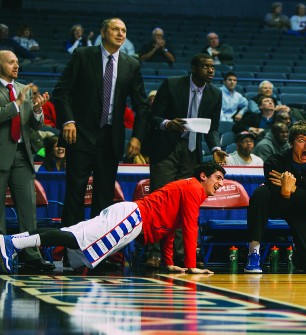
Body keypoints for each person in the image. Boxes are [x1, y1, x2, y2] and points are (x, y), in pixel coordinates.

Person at [0, 162, 225, 275]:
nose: (221, 183)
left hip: (130, 216)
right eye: (218, 177)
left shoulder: (190, 187)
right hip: (133, 218)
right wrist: (191, 266)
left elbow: (169, 229)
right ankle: (14, 243)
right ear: (203, 175)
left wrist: (169, 264)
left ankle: (11, 240)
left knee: (74, 235)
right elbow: (189, 228)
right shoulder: (194, 188)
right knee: (75, 238)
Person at [53, 18, 149, 231]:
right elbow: (61, 93)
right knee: (75, 192)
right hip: (80, 135)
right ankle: (72, 250)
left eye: (124, 30)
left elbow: (142, 105)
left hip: (110, 138)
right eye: (115, 29)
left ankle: (98, 249)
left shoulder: (131, 64)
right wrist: (68, 121)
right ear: (103, 33)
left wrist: (137, 136)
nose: (120, 33)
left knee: (104, 197)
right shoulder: (82, 55)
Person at [142, 53, 225, 268]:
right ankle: (154, 252)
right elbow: (153, 117)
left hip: (192, 152)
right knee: (160, 202)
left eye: (213, 67)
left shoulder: (215, 94)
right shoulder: (172, 84)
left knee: (185, 205)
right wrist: (168, 123)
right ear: (194, 68)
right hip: (166, 150)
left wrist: (215, 148)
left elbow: (212, 128)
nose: (211, 70)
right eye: (206, 66)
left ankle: (179, 255)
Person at [244, 121, 306, 273]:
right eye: (301, 140)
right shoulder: (274, 162)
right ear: (292, 143)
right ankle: (254, 252)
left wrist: (292, 189)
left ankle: (297, 252)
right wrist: (286, 193)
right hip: (278, 204)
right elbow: (277, 196)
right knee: (261, 193)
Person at [0, 50, 53, 271]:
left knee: (27, 208)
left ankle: (31, 255)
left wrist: (38, 111)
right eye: (11, 62)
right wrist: (16, 105)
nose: (16, 65)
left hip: (23, 155)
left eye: (17, 62)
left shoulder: (23, 89)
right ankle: (1, 254)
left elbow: (34, 126)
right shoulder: (19, 95)